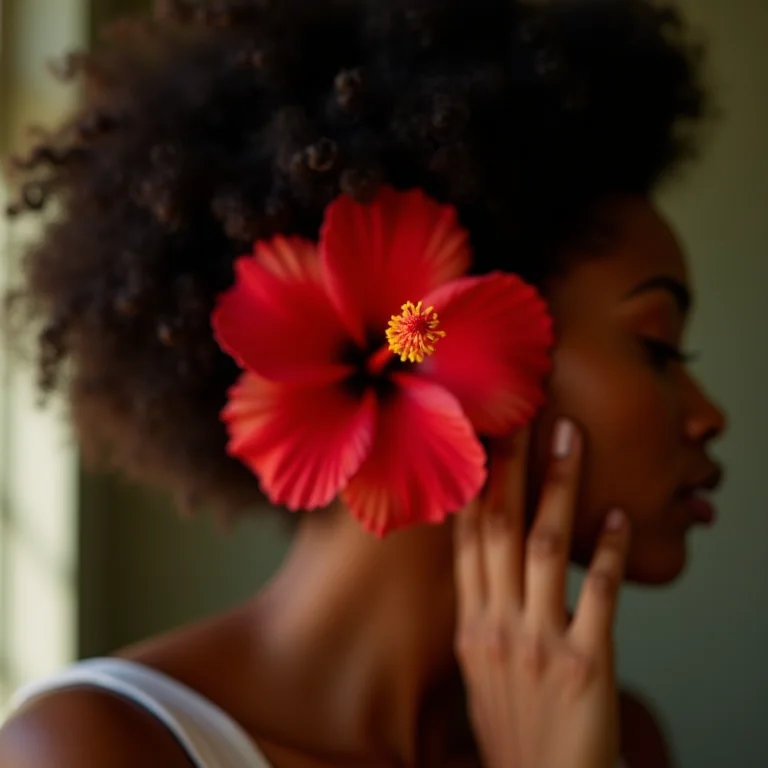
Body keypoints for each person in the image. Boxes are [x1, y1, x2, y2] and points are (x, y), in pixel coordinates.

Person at [0, 0, 728, 765]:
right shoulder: (94, 748)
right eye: (658, 347)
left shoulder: (618, 740)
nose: (709, 417)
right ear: (473, 338)